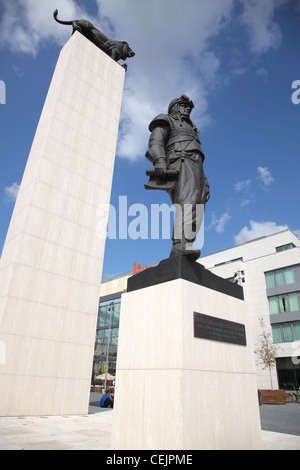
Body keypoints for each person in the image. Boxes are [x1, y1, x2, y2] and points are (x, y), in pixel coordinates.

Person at [146, 95, 210, 260]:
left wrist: (204, 178)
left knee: (198, 203)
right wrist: (160, 161)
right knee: (187, 200)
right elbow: (155, 142)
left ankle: (187, 242)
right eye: (183, 105)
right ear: (175, 106)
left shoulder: (192, 128)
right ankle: (180, 244)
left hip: (196, 167)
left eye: (189, 106)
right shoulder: (166, 119)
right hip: (180, 161)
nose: (188, 108)